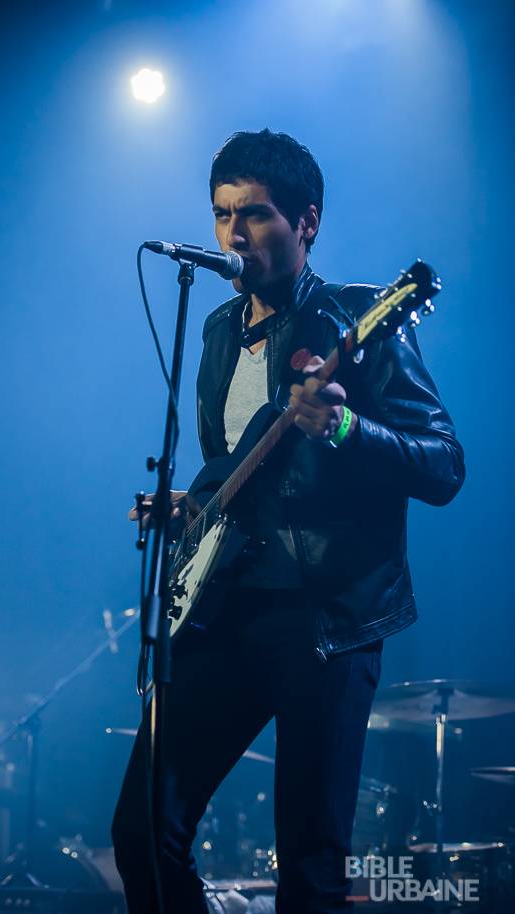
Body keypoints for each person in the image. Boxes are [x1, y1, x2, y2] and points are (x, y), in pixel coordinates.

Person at [111, 129, 465, 914]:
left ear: (307, 222)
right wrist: (191, 507)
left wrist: (344, 430)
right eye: (222, 213)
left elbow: (444, 465)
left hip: (325, 619)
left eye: (258, 214)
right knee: (141, 830)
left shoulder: (358, 318)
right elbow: (237, 465)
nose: (236, 234)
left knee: (310, 868)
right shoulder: (214, 332)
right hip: (227, 606)